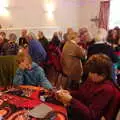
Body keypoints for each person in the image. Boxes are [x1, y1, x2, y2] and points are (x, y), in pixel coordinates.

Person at [56, 54, 120, 120]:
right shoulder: (93, 80)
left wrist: (71, 100)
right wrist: (69, 93)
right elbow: (82, 94)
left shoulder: (107, 89)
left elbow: (92, 115)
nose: (89, 74)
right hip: (77, 111)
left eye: (92, 72)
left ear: (103, 74)